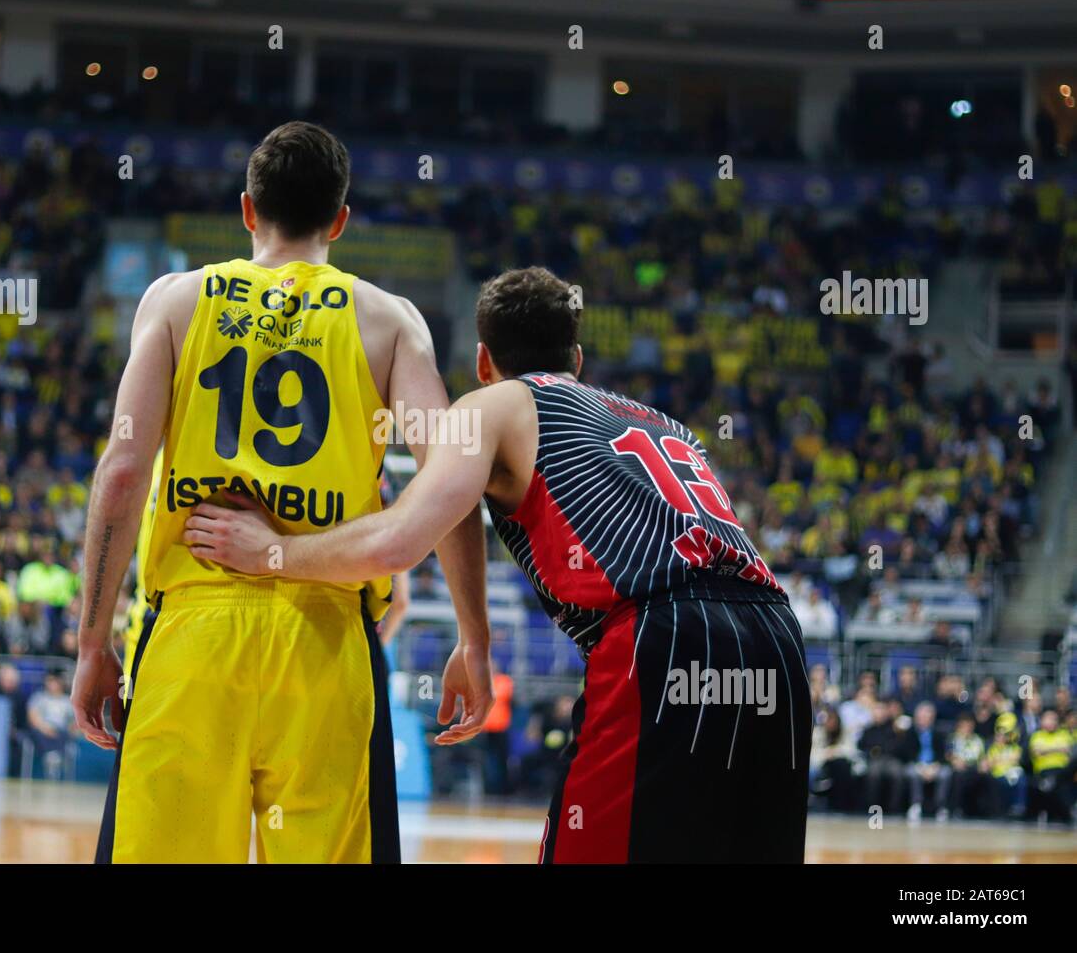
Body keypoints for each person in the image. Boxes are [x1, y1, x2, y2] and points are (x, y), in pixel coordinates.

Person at [185, 266, 811, 863]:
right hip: (778, 641)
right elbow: (465, 502)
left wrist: (268, 551)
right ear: (579, 359)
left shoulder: (494, 405)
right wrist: (475, 639)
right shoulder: (654, 419)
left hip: (665, 632)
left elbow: (401, 538)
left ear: (485, 362)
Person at [72, 122, 492, 864]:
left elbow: (124, 471)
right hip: (326, 640)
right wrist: (474, 639)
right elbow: (451, 481)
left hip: (192, 633)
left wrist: (90, 641)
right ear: (339, 220)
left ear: (245, 210)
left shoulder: (174, 301)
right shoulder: (391, 321)